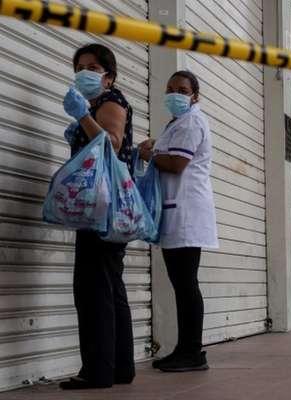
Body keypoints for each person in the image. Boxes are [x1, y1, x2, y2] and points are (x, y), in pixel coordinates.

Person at [59, 44, 135, 390]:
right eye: (79, 66)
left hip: (100, 205)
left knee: (92, 289)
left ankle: (98, 370)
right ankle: (119, 367)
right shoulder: (99, 104)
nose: (84, 71)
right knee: (109, 285)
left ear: (109, 75)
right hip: (108, 205)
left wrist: (82, 118)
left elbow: (113, 143)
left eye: (92, 66)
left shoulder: (110, 102)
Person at [139, 70, 219, 372]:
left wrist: (149, 153)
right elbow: (170, 152)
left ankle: (193, 352)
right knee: (182, 284)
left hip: (186, 212)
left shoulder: (192, 121)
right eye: (170, 88)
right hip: (179, 211)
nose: (175, 94)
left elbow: (176, 163)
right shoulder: (181, 122)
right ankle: (184, 349)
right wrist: (157, 146)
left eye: (182, 90)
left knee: (186, 284)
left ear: (195, 95)